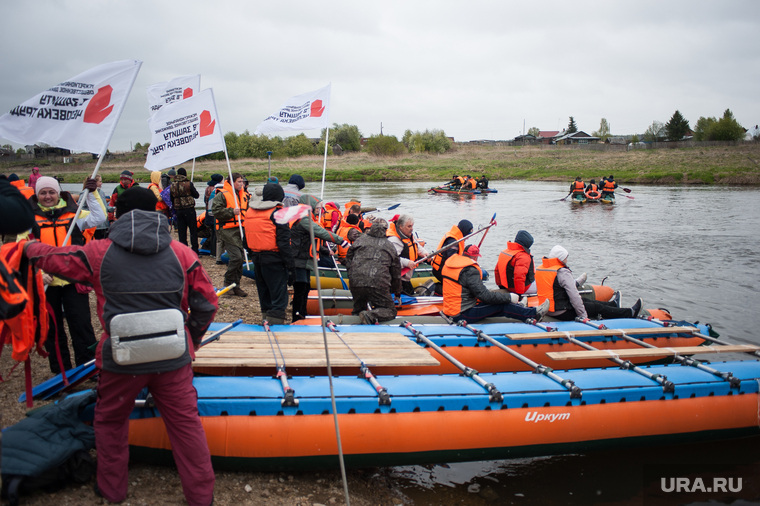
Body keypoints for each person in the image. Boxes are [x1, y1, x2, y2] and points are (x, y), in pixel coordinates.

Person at [24, 187, 217, 505]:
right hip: (172, 357)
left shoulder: (98, 252)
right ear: (156, 214)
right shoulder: (183, 253)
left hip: (120, 358)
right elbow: (207, 304)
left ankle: (112, 489)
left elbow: (55, 259)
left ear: (117, 214)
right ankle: (200, 495)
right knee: (185, 425)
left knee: (111, 421)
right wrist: (190, 342)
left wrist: (28, 246)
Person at [20, 175, 105, 373]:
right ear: (37, 194)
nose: (48, 196)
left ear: (58, 193)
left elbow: (99, 217)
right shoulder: (29, 220)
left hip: (73, 279)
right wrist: (36, 272)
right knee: (52, 329)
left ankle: (87, 369)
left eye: (51, 192)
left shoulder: (73, 215)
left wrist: (92, 193)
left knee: (82, 326)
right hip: (46, 283)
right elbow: (20, 249)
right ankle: (61, 371)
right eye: (43, 193)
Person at [442, 245, 549, 323]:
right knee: (502, 306)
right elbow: (484, 296)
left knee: (496, 302)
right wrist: (509, 297)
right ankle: (534, 314)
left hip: (452, 309)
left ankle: (520, 307)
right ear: (475, 257)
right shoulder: (470, 270)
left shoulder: (451, 265)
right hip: (463, 313)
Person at [536, 245, 642, 321]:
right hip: (561, 312)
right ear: (561, 259)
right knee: (595, 307)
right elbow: (574, 296)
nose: (567, 260)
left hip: (547, 309)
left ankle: (613, 304)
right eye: (566, 258)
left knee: (586, 300)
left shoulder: (541, 269)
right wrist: (583, 315)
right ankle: (629, 313)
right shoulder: (562, 272)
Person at [290, 194, 348, 321]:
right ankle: (297, 315)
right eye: (317, 207)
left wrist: (324, 250)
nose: (318, 209)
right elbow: (320, 232)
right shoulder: (304, 219)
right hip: (299, 258)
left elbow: (311, 240)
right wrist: (340, 241)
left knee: (305, 287)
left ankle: (302, 312)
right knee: (301, 287)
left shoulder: (307, 218)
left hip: (304, 257)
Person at [245, 183, 294, 324]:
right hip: (274, 259)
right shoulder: (278, 214)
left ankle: (265, 320)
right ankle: (275, 325)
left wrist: (253, 254)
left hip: (257, 258)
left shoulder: (250, 212)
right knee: (279, 295)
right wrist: (291, 267)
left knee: (264, 291)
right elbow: (284, 243)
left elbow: (245, 240)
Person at [345, 219, 402, 324]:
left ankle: (355, 324)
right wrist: (397, 292)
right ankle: (370, 315)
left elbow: (348, 259)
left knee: (358, 308)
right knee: (390, 311)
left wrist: (352, 274)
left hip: (356, 282)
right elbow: (396, 273)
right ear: (386, 230)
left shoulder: (359, 240)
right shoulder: (390, 246)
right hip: (378, 283)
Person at [212, 173, 248, 296]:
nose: (241, 184)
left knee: (240, 259)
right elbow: (216, 211)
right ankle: (227, 283)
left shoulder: (244, 195)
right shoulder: (222, 195)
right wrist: (231, 212)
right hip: (228, 231)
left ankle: (236, 285)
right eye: (239, 181)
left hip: (241, 230)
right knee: (236, 258)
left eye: (242, 182)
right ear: (231, 182)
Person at [386, 214, 429, 295]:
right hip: (397, 279)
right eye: (409, 227)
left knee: (411, 294)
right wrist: (407, 263)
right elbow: (392, 259)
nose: (411, 229)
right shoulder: (394, 240)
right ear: (400, 227)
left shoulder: (408, 236)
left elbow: (417, 247)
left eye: (412, 226)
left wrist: (425, 254)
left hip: (405, 278)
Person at [494, 230, 536, 297]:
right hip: (523, 288)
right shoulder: (523, 256)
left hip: (507, 286)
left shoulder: (505, 252)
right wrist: (519, 294)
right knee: (544, 283)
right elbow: (519, 276)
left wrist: (502, 287)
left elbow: (497, 270)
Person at [170, 167, 201, 254]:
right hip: (189, 209)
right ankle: (195, 251)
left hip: (179, 210)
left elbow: (171, 198)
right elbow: (196, 195)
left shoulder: (172, 185)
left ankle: (184, 252)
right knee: (193, 231)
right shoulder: (188, 184)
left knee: (182, 232)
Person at [79, 174, 111, 240]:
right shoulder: (85, 193)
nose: (101, 183)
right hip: (94, 226)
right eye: (100, 181)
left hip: (104, 225)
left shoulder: (101, 193)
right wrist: (93, 211)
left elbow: (104, 207)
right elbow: (80, 208)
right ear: (95, 182)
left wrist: (113, 209)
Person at [203, 174, 223, 257]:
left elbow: (205, 200)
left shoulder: (207, 188)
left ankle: (212, 251)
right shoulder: (216, 189)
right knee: (215, 233)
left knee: (212, 232)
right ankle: (215, 252)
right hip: (214, 213)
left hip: (208, 212)